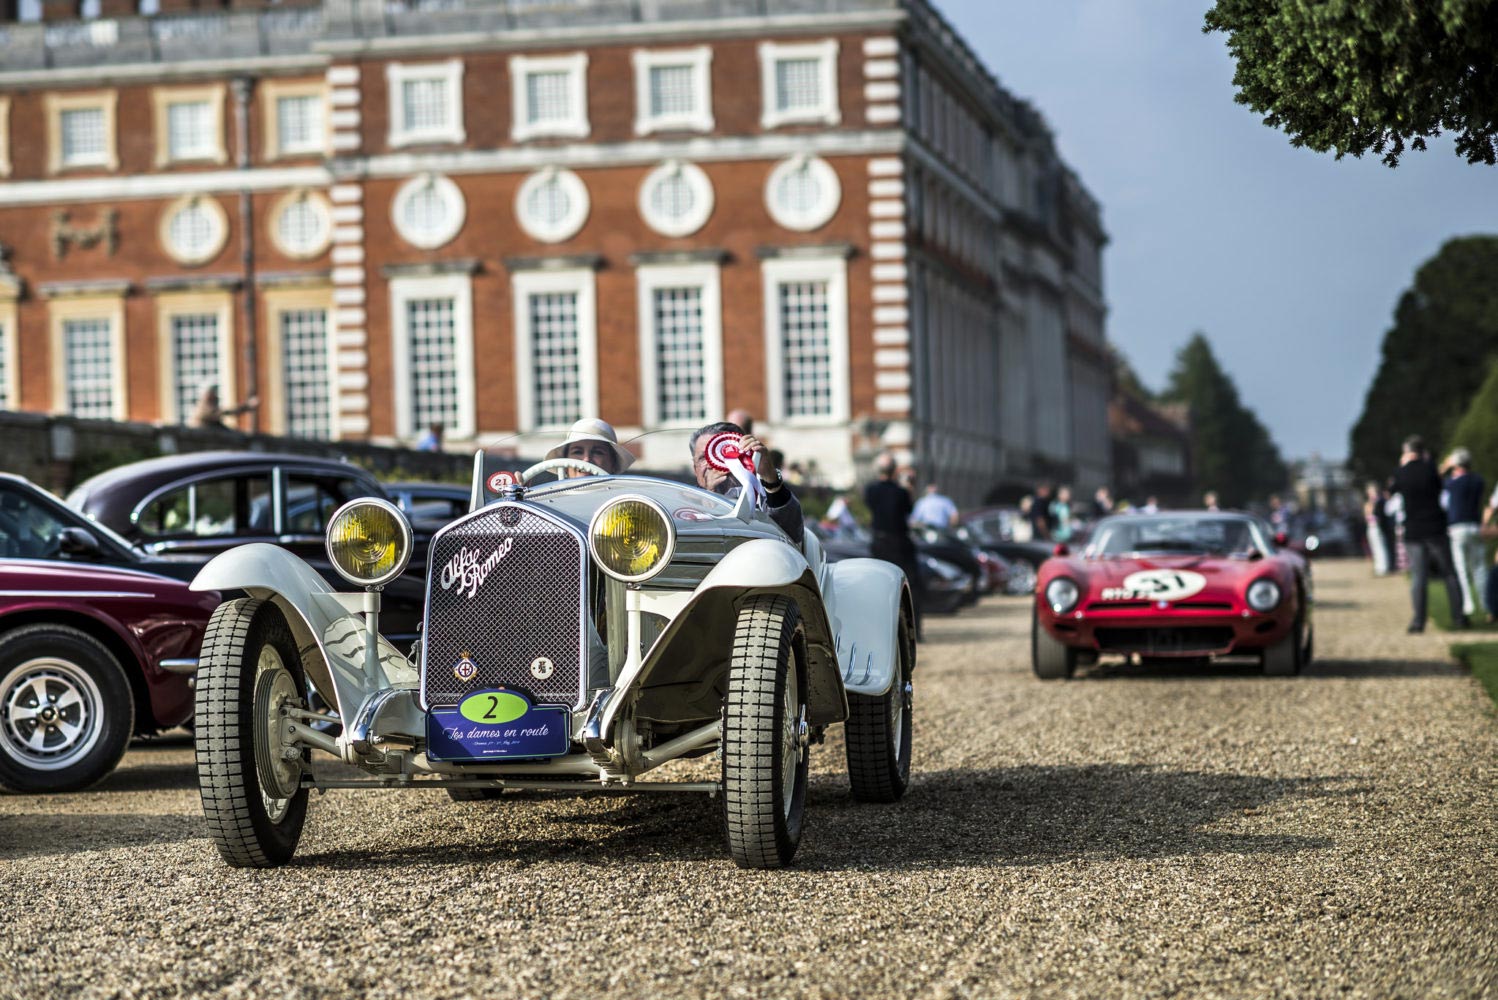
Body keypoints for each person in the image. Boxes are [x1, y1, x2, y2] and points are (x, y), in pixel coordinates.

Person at [1390, 435, 1466, 632]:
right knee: (1449, 573)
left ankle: (1418, 621)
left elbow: (1393, 490)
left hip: (1414, 530)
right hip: (1435, 527)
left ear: (1406, 452)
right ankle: (1458, 616)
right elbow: (1439, 486)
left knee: (1419, 577)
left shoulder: (1400, 472)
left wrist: (1403, 465)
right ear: (1422, 452)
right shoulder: (1431, 468)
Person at [689, 421, 801, 541]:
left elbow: (791, 534)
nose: (711, 463)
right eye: (702, 458)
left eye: (720, 454)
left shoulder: (760, 495)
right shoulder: (683, 504)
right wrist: (708, 496)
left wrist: (770, 478)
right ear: (695, 468)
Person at [865, 452, 923, 640]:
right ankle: (914, 631)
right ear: (895, 470)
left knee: (879, 585)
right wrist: (908, 487)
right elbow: (908, 510)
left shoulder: (871, 490)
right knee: (911, 584)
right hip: (899, 543)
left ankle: (882, 630)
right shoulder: (900, 492)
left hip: (879, 542)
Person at [1440, 447, 1486, 618]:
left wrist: (1444, 468)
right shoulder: (1478, 480)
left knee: (1461, 568)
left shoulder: (1451, 483)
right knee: (1479, 567)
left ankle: (1468, 602)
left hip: (1457, 527)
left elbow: (1436, 483)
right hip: (1474, 525)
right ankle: (1484, 601)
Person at [543, 417, 635, 478]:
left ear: (613, 464)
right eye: (577, 452)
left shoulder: (623, 504)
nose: (586, 460)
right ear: (565, 465)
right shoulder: (548, 503)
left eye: (598, 452)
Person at [191, 383, 258, 429]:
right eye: (213, 393)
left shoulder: (210, 404)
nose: (215, 395)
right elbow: (224, 412)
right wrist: (246, 406)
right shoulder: (203, 407)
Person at [1363, 482, 1391, 576]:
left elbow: (1380, 515)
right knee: (1375, 547)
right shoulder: (1370, 503)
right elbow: (1366, 514)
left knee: (1380, 547)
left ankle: (1384, 566)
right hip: (1371, 527)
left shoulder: (1380, 501)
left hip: (1378, 527)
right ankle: (1378, 566)